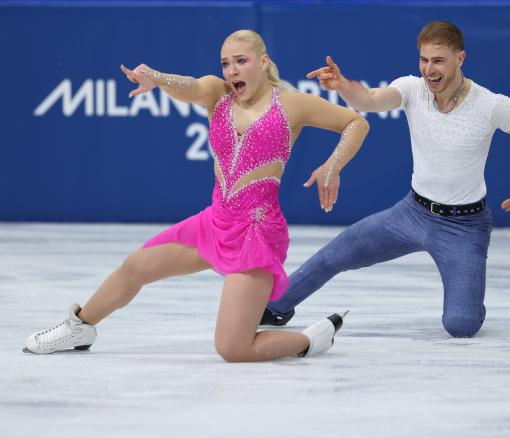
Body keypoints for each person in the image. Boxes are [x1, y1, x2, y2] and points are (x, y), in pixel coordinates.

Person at [24, 29, 369, 360]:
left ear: (263, 62)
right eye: (225, 63)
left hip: (256, 232)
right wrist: (157, 78)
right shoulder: (217, 93)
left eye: (241, 61)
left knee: (233, 348)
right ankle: (80, 327)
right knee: (135, 266)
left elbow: (357, 123)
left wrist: (332, 165)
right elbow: (190, 86)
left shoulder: (292, 104)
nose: (232, 70)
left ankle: (308, 341)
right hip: (216, 222)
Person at [261, 21, 510, 337]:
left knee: (460, 325)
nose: (429, 69)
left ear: (460, 58)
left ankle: (470, 297)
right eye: (424, 60)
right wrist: (342, 84)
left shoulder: (491, 105)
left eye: (438, 61)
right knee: (335, 254)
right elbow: (369, 100)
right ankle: (276, 307)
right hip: (411, 214)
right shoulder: (413, 89)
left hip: (464, 227)